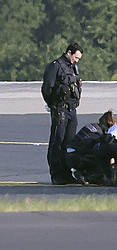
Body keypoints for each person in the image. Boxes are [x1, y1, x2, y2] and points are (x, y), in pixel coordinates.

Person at [41, 43, 83, 185]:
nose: (77, 60)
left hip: (71, 110)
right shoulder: (55, 66)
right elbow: (47, 89)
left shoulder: (72, 68)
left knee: (69, 143)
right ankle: (57, 174)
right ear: (69, 53)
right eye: (76, 57)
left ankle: (66, 173)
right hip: (60, 109)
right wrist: (54, 106)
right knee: (57, 143)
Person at [65, 110, 116, 185]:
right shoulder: (99, 134)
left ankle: (84, 172)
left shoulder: (94, 126)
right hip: (76, 157)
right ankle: (86, 175)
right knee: (102, 158)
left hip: (70, 154)